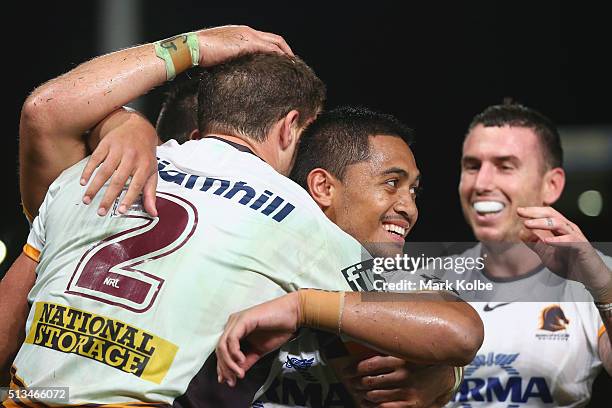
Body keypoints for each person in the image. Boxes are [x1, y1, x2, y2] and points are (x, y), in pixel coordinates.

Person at [1, 26, 482, 406]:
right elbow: (459, 332)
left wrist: (190, 50)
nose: (408, 206)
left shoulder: (90, 175)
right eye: (392, 183)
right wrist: (305, 307)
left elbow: (46, 109)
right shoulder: (295, 222)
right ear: (293, 127)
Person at [388, 102, 612, 407]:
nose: (482, 183)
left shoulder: (598, 277)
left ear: (552, 184)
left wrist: (603, 289)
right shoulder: (428, 279)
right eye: (472, 166)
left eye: (505, 166)